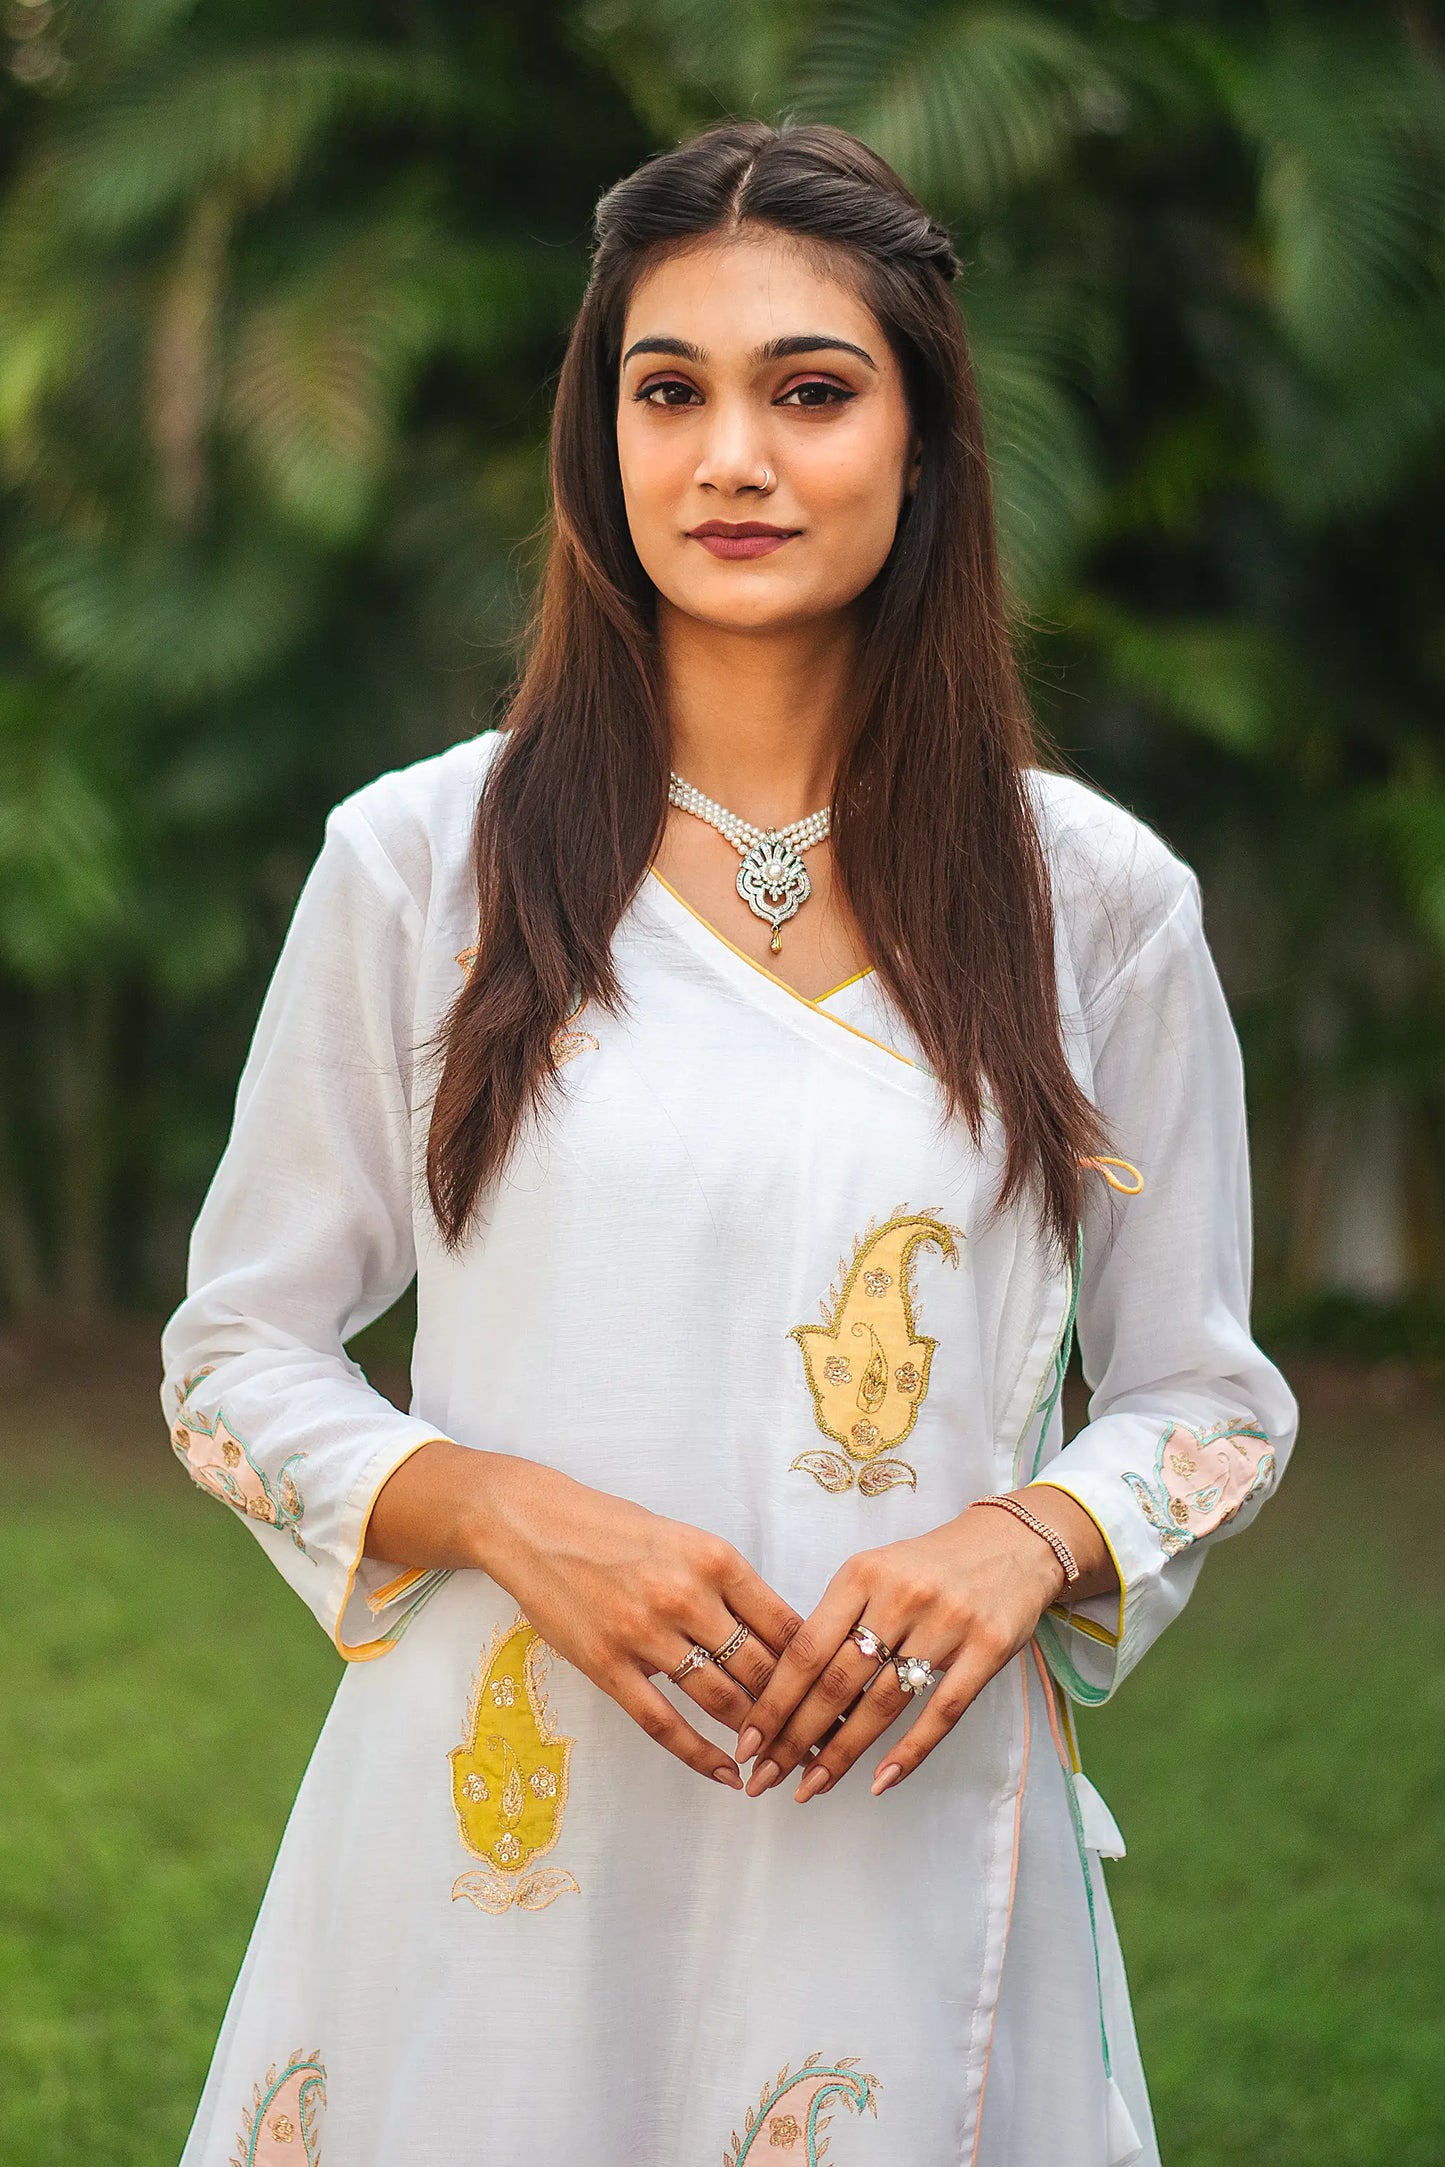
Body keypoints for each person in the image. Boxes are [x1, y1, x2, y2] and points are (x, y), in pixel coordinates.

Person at [161, 118, 1295, 2167]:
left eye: (811, 390)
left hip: (903, 1821)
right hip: (497, 1825)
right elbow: (234, 1356)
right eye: (667, 390)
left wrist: (1027, 1536)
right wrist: (496, 1504)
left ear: (925, 439)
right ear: (599, 442)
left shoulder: (1092, 902)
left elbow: (1205, 1397)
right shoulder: (429, 864)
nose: (731, 458)